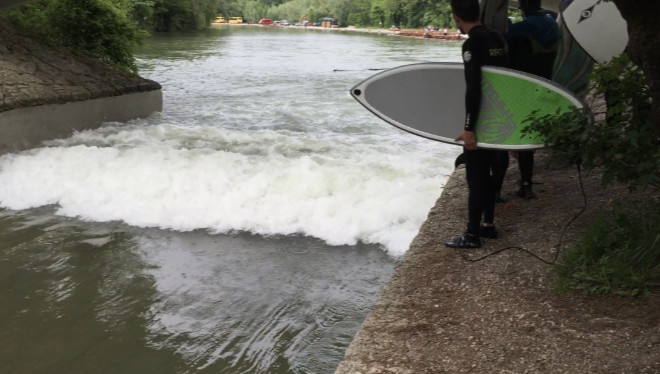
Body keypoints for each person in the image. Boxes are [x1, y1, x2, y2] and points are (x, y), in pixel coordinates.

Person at [445, 0, 509, 249]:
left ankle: (472, 235)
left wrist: (469, 128)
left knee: (477, 176)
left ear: (456, 17)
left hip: (482, 119)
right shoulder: (499, 38)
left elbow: (474, 89)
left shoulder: (472, 43)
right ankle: (488, 225)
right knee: (493, 169)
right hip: (500, 117)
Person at [507, 0, 560, 198]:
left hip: (524, 85)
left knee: (522, 134)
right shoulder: (553, 24)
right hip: (548, 83)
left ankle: (524, 185)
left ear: (522, 7)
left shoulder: (522, 28)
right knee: (533, 130)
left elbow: (506, 52)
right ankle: (527, 182)